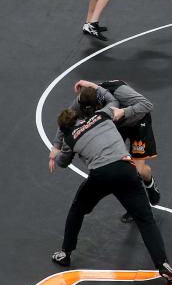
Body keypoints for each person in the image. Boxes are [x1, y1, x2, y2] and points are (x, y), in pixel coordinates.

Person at [48, 87, 172, 284]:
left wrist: (55, 153)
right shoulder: (103, 114)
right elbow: (111, 99)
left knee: (77, 210)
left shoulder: (70, 138)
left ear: (65, 127)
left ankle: (65, 253)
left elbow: (63, 163)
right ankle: (163, 264)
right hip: (126, 170)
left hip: (101, 176)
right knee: (145, 219)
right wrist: (94, 87)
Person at [52, 79, 163, 223]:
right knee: (123, 167)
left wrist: (123, 111)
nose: (91, 114)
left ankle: (150, 184)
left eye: (93, 110)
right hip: (115, 124)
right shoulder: (83, 100)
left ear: (100, 102)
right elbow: (67, 119)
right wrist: (56, 145)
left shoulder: (119, 92)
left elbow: (147, 105)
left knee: (140, 170)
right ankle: (135, 206)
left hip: (137, 121)